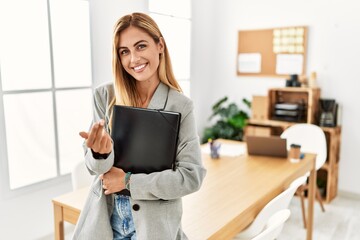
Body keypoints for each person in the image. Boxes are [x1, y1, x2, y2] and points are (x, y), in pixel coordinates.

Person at [72, 12, 206, 240]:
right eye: (124, 51)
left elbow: (191, 177)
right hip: (106, 219)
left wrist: (128, 182)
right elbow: (94, 168)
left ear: (160, 45)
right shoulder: (105, 96)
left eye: (141, 46)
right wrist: (99, 153)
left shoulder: (181, 106)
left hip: (154, 226)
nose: (133, 59)